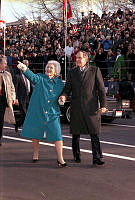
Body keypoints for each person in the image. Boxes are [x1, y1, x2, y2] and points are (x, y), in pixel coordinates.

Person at [59, 50, 107, 166]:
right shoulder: (72, 72)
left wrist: (104, 105)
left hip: (91, 107)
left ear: (86, 59)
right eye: (77, 58)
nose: (78, 60)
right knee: (76, 133)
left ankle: (97, 157)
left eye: (80, 58)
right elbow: (67, 88)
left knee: (94, 133)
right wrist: (63, 96)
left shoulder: (95, 71)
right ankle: (76, 154)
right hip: (76, 106)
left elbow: (101, 89)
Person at [17, 60, 67, 167]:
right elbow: (33, 78)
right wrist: (25, 69)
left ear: (56, 71)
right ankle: (35, 154)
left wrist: (62, 100)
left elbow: (62, 97)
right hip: (38, 110)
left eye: (51, 68)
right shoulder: (41, 78)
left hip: (52, 113)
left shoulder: (59, 84)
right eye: (47, 67)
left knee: (57, 135)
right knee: (36, 133)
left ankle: (60, 158)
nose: (48, 69)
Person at [0, 56, 16, 146]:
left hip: (3, 101)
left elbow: (12, 87)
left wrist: (13, 97)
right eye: (4, 63)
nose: (6, 65)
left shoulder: (8, 74)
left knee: (1, 121)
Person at [14, 60, 33, 132]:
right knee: (25, 115)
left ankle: (17, 124)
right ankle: (28, 129)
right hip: (21, 98)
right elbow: (15, 88)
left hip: (28, 98)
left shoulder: (29, 76)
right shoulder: (17, 76)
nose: (26, 65)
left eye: (27, 64)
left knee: (28, 115)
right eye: (25, 64)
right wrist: (15, 98)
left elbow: (31, 87)